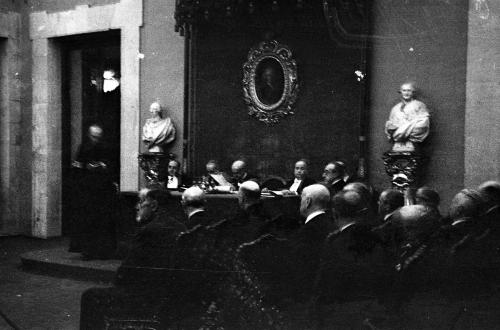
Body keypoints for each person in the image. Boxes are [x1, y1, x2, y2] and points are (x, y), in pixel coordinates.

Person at [70, 124, 117, 259]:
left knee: (102, 222)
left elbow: (110, 165)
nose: (96, 139)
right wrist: (85, 167)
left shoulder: (106, 148)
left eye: (98, 137)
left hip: (102, 190)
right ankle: (87, 251)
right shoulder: (83, 148)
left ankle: (102, 251)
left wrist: (101, 166)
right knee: (88, 221)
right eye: (94, 137)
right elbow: (77, 166)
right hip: (87, 190)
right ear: (89, 135)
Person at [292, 184, 335, 300]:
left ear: (308, 202)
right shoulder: (334, 224)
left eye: (301, 199)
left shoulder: (305, 232)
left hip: (308, 295)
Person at [385, 82, 430, 152]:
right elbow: (390, 125)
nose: (406, 93)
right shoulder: (395, 108)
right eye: (404, 90)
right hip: (397, 142)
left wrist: (403, 128)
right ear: (401, 92)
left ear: (413, 92)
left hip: (413, 135)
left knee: (420, 125)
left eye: (409, 90)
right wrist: (394, 127)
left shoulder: (420, 105)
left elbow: (424, 122)